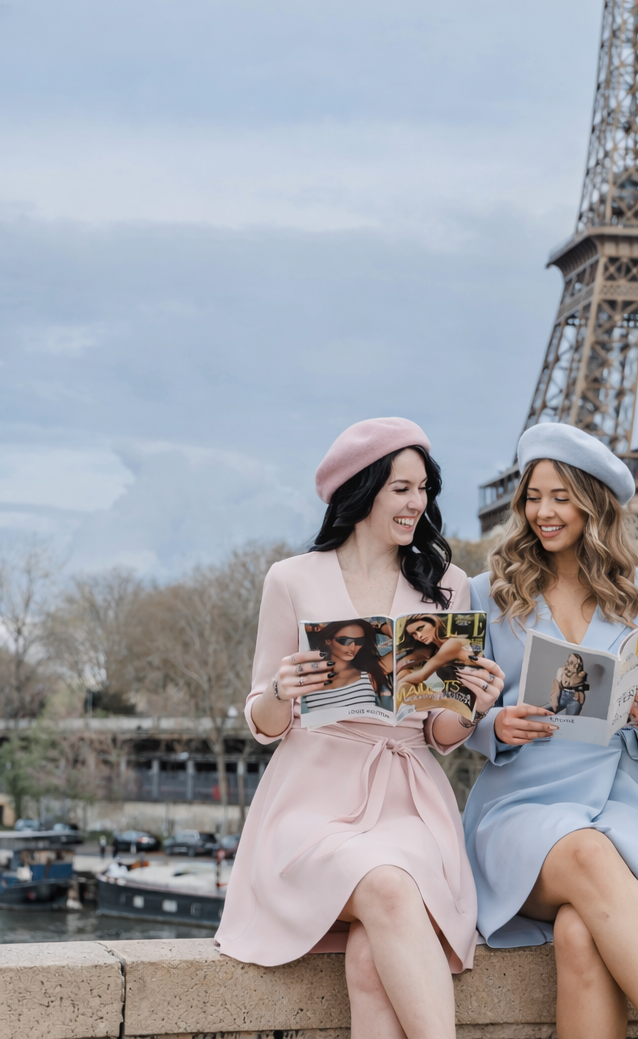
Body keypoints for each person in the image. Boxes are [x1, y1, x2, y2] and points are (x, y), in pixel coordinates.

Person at [215, 417, 505, 1039]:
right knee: (391, 890)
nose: (417, 503)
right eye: (401, 488)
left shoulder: (447, 585)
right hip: (311, 796)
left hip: (411, 802)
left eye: (423, 488)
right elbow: (265, 725)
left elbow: (438, 735)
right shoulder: (290, 578)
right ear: (362, 488)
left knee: (375, 955)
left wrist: (471, 705)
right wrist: (279, 691)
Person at [463, 421, 638, 1039]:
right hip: (522, 804)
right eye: (533, 497)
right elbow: (452, 719)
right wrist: (495, 724)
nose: (542, 512)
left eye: (560, 497)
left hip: (624, 802)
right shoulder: (482, 595)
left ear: (593, 503)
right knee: (585, 851)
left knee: (580, 933)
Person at [302, 619, 393, 715]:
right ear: (328, 641)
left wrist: (380, 628)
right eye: (345, 640)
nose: (352, 647)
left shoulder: (368, 674)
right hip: (322, 729)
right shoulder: (307, 675)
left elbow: (405, 644)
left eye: (359, 641)